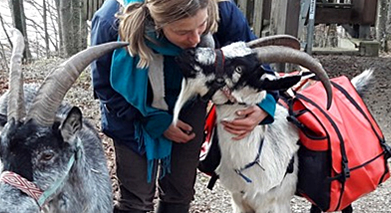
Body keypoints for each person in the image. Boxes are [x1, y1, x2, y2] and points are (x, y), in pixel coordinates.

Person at [90, 0, 278, 212]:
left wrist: (266, 103)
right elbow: (104, 86)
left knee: (180, 192)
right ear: (158, 24)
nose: (196, 39)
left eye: (202, 26)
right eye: (183, 32)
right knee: (136, 198)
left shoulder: (222, 8)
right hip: (131, 111)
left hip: (190, 102)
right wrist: (156, 120)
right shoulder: (110, 21)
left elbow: (254, 57)